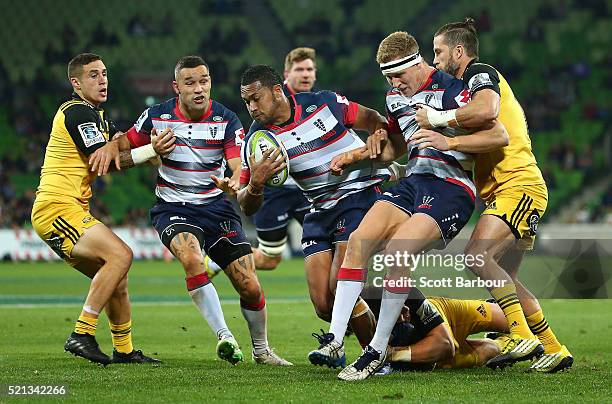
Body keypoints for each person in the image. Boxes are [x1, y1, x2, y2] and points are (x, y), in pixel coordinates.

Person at [307, 31, 509, 381]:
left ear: (418, 64)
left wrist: (449, 138)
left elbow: (499, 134)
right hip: (413, 181)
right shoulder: (394, 98)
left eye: (399, 75)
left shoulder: (451, 88)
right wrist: (360, 154)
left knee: (397, 255)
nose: (395, 84)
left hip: (450, 186)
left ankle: (376, 352)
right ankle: (335, 340)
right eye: (387, 78)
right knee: (358, 242)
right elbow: (393, 150)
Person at [415, 18, 572, 372]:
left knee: (476, 256)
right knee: (507, 278)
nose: (435, 59)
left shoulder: (480, 72)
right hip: (512, 189)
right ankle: (553, 347)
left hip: (517, 185)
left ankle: (519, 334)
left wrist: (440, 123)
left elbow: (487, 113)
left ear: (459, 51)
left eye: (439, 51)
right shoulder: (463, 90)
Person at [124, 56, 291, 366]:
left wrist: (234, 182)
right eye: (190, 83)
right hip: (173, 208)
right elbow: (121, 148)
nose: (199, 89)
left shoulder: (226, 119)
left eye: (204, 81)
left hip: (216, 207)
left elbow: (237, 163)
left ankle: (262, 351)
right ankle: (225, 336)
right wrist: (148, 151)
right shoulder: (155, 117)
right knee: (191, 258)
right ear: (177, 87)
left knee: (250, 286)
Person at [232, 64, 391, 352]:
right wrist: (256, 184)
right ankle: (391, 326)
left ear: (277, 92)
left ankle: (375, 356)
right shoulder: (256, 141)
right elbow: (246, 205)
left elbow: (374, 119)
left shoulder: (325, 103)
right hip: (318, 209)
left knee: (340, 285)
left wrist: (379, 134)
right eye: (246, 102)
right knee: (323, 305)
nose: (251, 107)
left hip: (357, 196)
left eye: (256, 99)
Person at [31, 53, 169, 365]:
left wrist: (143, 145)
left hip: (68, 208)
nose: (102, 79)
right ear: (75, 83)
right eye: (93, 74)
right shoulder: (77, 112)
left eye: (104, 73)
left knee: (116, 276)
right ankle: (81, 333)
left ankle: (123, 350)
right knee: (121, 255)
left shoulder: (97, 118)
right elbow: (104, 161)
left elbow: (120, 142)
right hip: (56, 208)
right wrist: (151, 150)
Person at [206, 47, 316, 276]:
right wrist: (239, 181)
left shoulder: (316, 105)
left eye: (309, 69)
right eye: (299, 70)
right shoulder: (266, 108)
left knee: (326, 245)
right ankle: (221, 257)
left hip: (307, 189)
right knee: (269, 259)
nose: (305, 74)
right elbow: (248, 153)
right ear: (286, 75)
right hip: (275, 192)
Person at [362, 288, 510, 371]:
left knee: (512, 319)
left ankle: (517, 333)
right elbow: (446, 348)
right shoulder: (360, 311)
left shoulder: (413, 298)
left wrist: (388, 354)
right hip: (433, 353)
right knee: (492, 350)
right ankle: (503, 343)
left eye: (403, 311)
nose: (405, 316)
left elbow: (445, 344)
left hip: (447, 315)